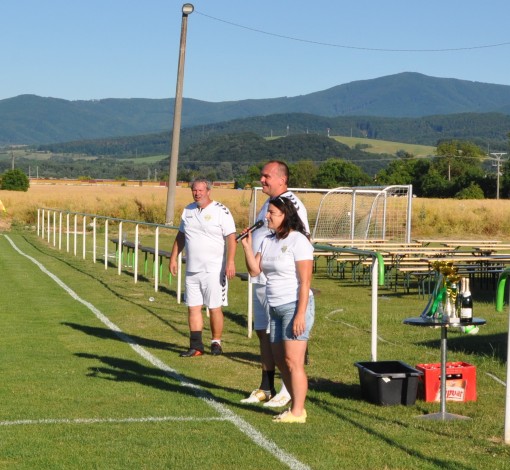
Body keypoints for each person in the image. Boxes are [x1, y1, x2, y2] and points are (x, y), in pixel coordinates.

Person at [240, 160, 310, 408]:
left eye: (266, 176)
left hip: (282, 284)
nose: (262, 180)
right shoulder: (268, 202)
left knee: (282, 341)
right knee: (264, 333)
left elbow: (300, 241)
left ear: (282, 179)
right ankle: (266, 386)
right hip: (263, 277)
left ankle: (287, 390)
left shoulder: (291, 204)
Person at [169, 178, 236, 357]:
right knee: (193, 307)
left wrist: (230, 262)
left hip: (214, 269)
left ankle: (216, 342)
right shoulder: (188, 210)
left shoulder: (221, 211)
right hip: (192, 269)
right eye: (194, 190)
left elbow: (231, 237)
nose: (197, 193)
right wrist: (173, 257)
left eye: (200, 190)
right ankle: (196, 346)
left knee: (214, 307)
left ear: (208, 191)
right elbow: (181, 236)